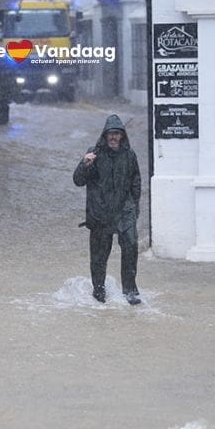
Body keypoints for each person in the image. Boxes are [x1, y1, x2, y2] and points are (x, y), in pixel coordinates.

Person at [73, 114, 142, 305]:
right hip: (100, 214)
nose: (114, 137)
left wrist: (135, 206)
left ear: (122, 136)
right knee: (99, 255)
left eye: (117, 134)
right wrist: (85, 164)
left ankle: (130, 290)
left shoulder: (129, 155)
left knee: (130, 246)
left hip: (124, 211)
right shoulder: (94, 154)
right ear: (105, 135)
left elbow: (136, 182)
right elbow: (78, 180)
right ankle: (99, 290)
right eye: (111, 134)